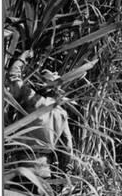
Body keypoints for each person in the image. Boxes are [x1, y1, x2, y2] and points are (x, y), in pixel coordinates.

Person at [7, 49, 74, 181]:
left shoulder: (34, 101)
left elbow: (13, 77)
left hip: (24, 170)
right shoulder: (61, 113)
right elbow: (67, 147)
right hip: (45, 172)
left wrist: (23, 56)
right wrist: (64, 173)